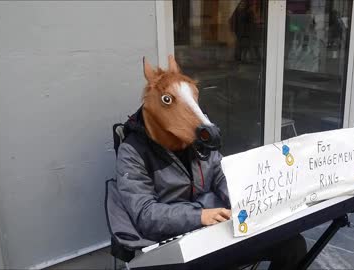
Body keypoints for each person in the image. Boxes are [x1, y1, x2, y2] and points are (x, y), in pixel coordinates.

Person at [113, 56, 306, 269]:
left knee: (292, 245)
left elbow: (222, 174)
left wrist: (245, 199)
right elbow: (145, 214)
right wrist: (199, 216)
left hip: (218, 228)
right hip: (175, 242)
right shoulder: (132, 152)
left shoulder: (198, 142)